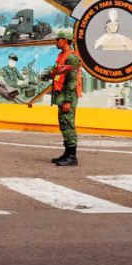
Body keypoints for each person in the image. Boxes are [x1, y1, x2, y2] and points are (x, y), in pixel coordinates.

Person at [42, 31, 83, 166]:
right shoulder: (62, 56)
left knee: (68, 126)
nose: (56, 42)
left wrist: (68, 101)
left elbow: (72, 81)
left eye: (58, 39)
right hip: (62, 96)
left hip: (67, 97)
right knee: (64, 125)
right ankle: (67, 153)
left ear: (65, 40)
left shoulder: (72, 58)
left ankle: (72, 157)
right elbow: (58, 73)